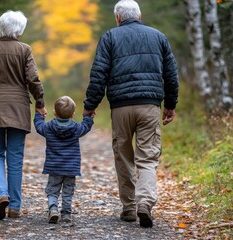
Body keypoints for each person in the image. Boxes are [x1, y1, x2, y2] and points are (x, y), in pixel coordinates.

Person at [83, 0, 179, 228]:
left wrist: (90, 105)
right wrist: (170, 104)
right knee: (147, 157)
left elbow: (99, 73)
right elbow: (171, 73)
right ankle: (144, 202)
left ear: (118, 17)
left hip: (121, 107)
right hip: (149, 106)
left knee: (123, 155)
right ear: (140, 14)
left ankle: (129, 208)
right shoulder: (158, 36)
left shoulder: (110, 37)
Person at [0, 10, 47, 220]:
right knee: (15, 157)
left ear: (0, 27)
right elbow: (33, 79)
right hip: (18, 108)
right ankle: (14, 206)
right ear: (19, 29)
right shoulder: (24, 50)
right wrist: (40, 103)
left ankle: (1, 194)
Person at [34, 96, 94, 224]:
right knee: (68, 191)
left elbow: (39, 126)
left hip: (54, 167)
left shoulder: (49, 127)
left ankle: (53, 209)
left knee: (52, 190)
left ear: (55, 113)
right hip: (71, 168)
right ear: (72, 114)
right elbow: (86, 126)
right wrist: (88, 116)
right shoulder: (76, 128)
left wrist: (39, 115)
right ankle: (66, 214)